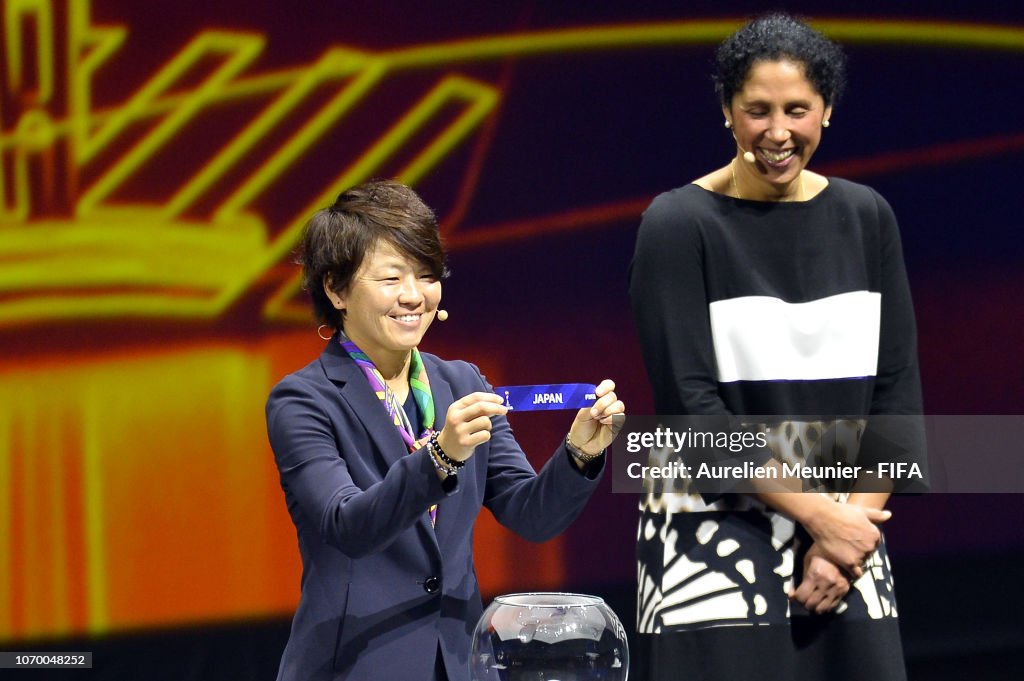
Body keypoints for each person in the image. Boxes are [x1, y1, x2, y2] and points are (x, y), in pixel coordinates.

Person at [628, 13, 922, 681]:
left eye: (798, 109)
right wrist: (824, 518)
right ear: (729, 112)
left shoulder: (867, 215)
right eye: (757, 110)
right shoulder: (677, 224)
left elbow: (896, 396)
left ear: (827, 112)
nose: (778, 131)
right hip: (712, 540)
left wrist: (846, 535)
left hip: (848, 535)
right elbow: (690, 410)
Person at [266, 179, 625, 681]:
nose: (414, 296)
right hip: (354, 666)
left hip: (458, 664)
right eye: (391, 279)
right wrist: (440, 457)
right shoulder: (304, 399)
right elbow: (347, 526)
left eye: (426, 274)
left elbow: (529, 514)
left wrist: (579, 455)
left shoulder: (460, 381)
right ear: (336, 289)